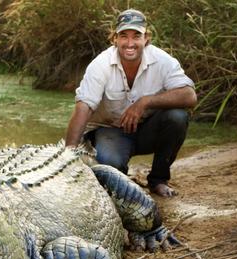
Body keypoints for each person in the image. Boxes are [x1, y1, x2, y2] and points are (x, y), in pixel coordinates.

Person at [65, 9, 197, 197]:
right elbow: (84, 106)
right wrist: (68, 153)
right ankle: (124, 179)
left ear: (146, 38)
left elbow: (189, 96)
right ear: (115, 39)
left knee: (177, 117)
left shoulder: (162, 61)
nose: (130, 43)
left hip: (147, 131)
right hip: (110, 130)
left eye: (136, 36)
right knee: (112, 169)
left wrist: (145, 102)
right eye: (123, 36)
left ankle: (158, 180)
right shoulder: (100, 64)